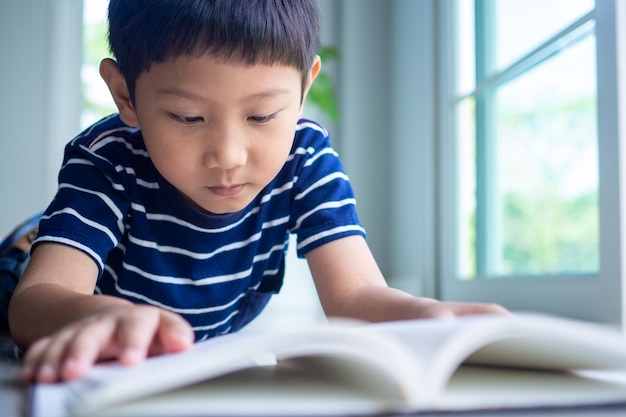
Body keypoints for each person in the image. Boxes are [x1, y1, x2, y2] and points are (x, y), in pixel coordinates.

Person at [7, 0, 506, 384]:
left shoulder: (304, 158)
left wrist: (424, 315)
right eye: (188, 117)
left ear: (305, 87)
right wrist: (106, 315)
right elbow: (38, 300)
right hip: (33, 258)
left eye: (262, 115)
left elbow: (355, 294)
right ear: (125, 96)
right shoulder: (108, 159)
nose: (228, 155)